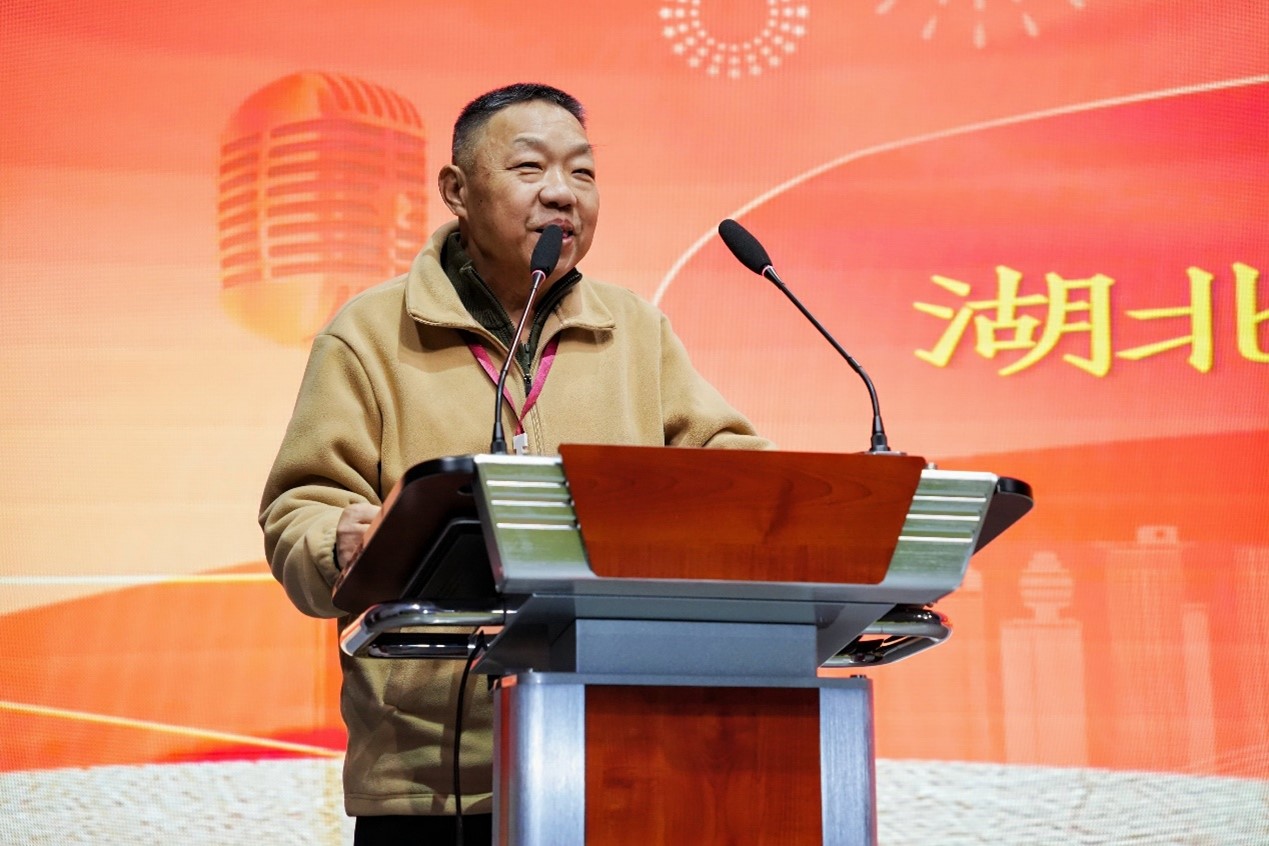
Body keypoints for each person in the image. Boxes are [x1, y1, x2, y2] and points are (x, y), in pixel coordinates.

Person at [259, 82, 770, 844]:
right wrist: (338, 540)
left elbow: (738, 474)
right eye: (530, 168)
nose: (562, 193)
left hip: (618, 756)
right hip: (431, 785)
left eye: (582, 172)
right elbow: (298, 508)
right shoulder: (368, 333)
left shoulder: (635, 331)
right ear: (456, 191)